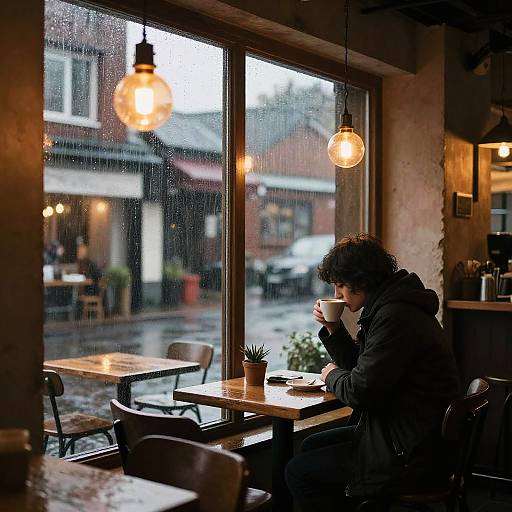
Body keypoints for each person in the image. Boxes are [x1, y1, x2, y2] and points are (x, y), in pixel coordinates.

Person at [285, 233, 460, 511]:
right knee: (311, 447)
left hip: (409, 453)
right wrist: (334, 329)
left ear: (363, 279)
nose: (336, 295)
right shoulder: (392, 305)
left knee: (299, 472)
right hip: (409, 436)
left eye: (341, 285)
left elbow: (360, 390)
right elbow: (365, 370)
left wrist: (330, 375)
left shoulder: (395, 316)